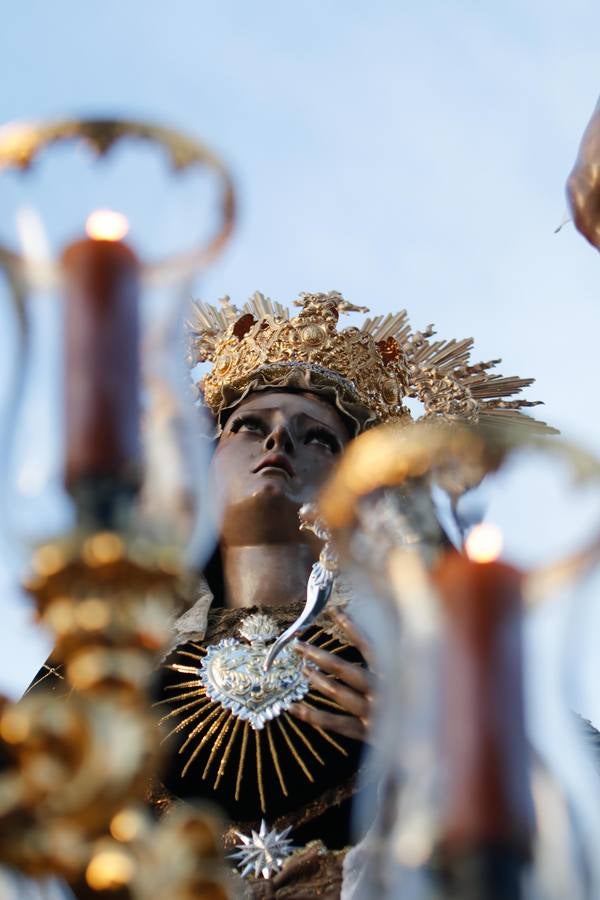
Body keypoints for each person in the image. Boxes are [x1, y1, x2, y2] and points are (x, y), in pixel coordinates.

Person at [149, 290, 547, 898]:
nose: (278, 443)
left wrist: (439, 746)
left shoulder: (417, 659)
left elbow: (560, 814)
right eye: (250, 425)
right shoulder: (123, 645)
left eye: (319, 439)